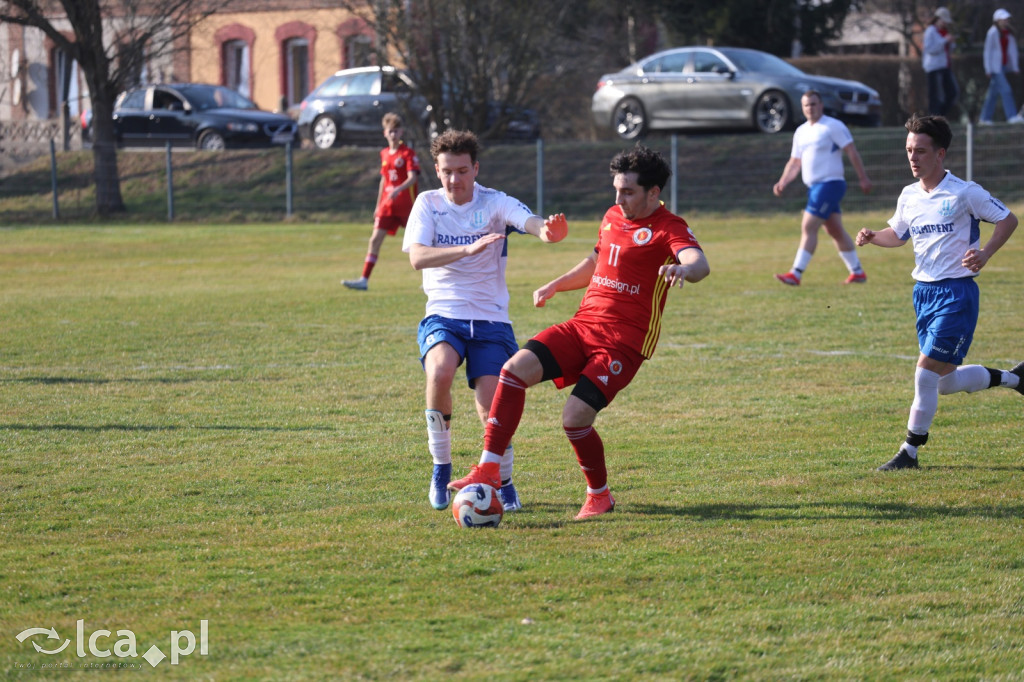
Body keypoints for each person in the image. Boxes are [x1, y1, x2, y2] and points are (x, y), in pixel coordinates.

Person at [447, 145, 710, 520]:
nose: (618, 199)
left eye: (629, 192)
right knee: (512, 371)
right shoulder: (612, 216)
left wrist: (685, 269)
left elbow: (698, 262)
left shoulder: (671, 227)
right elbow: (597, 260)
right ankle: (489, 467)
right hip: (582, 326)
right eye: (616, 190)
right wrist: (557, 284)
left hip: (622, 344)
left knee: (574, 418)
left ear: (654, 193)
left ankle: (599, 495)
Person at [402, 129, 568, 511]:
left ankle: (503, 480)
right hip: (444, 312)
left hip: (491, 320)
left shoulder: (494, 203)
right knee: (440, 372)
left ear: (475, 168)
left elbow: (526, 219)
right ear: (437, 170)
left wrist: (546, 231)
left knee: (491, 405)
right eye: (446, 171)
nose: (454, 180)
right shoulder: (427, 204)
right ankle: (441, 469)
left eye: (462, 171)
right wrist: (467, 248)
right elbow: (418, 257)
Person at [855, 114, 1023, 471]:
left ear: (940, 154)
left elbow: (1008, 219)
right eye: (909, 151)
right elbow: (898, 235)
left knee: (924, 373)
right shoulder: (909, 196)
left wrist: (986, 253)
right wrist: (873, 238)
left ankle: (910, 451)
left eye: (920, 151)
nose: (912, 158)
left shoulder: (965, 192)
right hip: (924, 294)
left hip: (956, 294)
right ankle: (1015, 379)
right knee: (944, 383)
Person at [772, 90, 872, 286]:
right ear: (802, 108)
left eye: (814, 104)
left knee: (808, 226)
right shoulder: (801, 131)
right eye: (806, 105)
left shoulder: (832, 126)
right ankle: (857, 272)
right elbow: (794, 162)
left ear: (821, 105)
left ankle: (796, 273)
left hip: (830, 184)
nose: (810, 108)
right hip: (814, 187)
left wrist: (863, 177)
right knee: (834, 229)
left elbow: (851, 151)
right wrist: (783, 181)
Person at [343, 113, 421, 290]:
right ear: (384, 133)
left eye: (396, 131)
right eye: (390, 131)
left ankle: (430, 280)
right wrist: (378, 205)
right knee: (374, 240)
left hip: (405, 204)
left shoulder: (407, 153)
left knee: (420, 241)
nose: (393, 135)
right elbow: (383, 180)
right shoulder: (384, 154)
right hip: (387, 205)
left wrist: (398, 189)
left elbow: (413, 177)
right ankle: (364, 279)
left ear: (401, 132)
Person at [979, 9, 1024, 125]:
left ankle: (984, 118)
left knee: (992, 94)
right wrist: (988, 69)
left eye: (1006, 19)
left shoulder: (1008, 33)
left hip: (1003, 66)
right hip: (995, 68)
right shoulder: (992, 32)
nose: (1005, 21)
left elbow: (1012, 51)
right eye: (1003, 19)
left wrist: (1014, 67)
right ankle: (1012, 116)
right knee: (1006, 90)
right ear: (997, 20)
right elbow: (987, 52)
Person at [923, 7, 958, 116]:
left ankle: (941, 115)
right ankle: (934, 117)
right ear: (938, 19)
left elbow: (948, 50)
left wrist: (951, 42)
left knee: (952, 92)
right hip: (934, 67)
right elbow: (930, 49)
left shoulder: (944, 32)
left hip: (945, 66)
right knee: (935, 95)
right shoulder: (930, 31)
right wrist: (944, 41)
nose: (945, 24)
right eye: (944, 21)